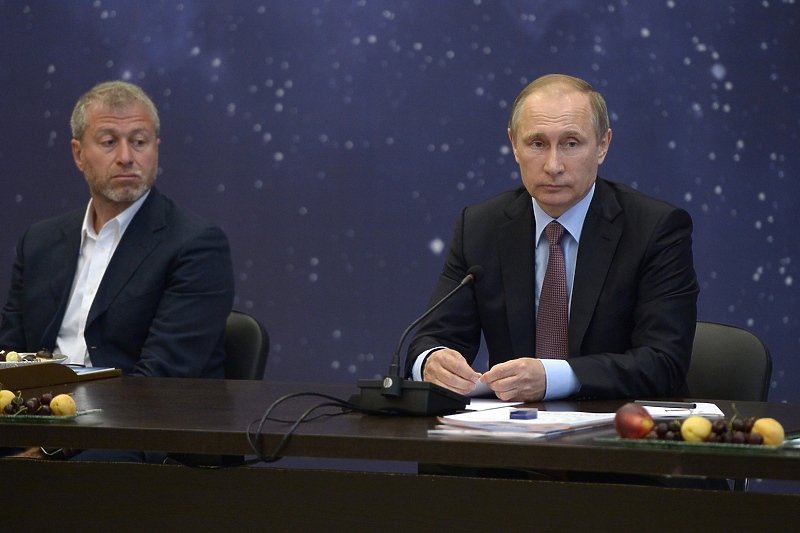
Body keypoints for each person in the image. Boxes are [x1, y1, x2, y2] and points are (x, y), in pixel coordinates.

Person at [406, 73, 699, 403]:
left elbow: (663, 364)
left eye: (571, 144)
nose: (553, 165)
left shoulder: (655, 229)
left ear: (603, 145)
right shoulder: (480, 226)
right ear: (514, 145)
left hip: (616, 436)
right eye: (537, 143)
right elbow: (431, 337)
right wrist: (430, 361)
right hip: (509, 438)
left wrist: (554, 378)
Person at [0, 81, 235, 461]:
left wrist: (49, 451)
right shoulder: (40, 241)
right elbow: (9, 357)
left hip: (141, 439)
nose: (127, 157)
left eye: (139, 142)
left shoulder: (196, 244)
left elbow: (157, 386)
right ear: (78, 154)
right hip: (37, 421)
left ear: (156, 148)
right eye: (109, 142)